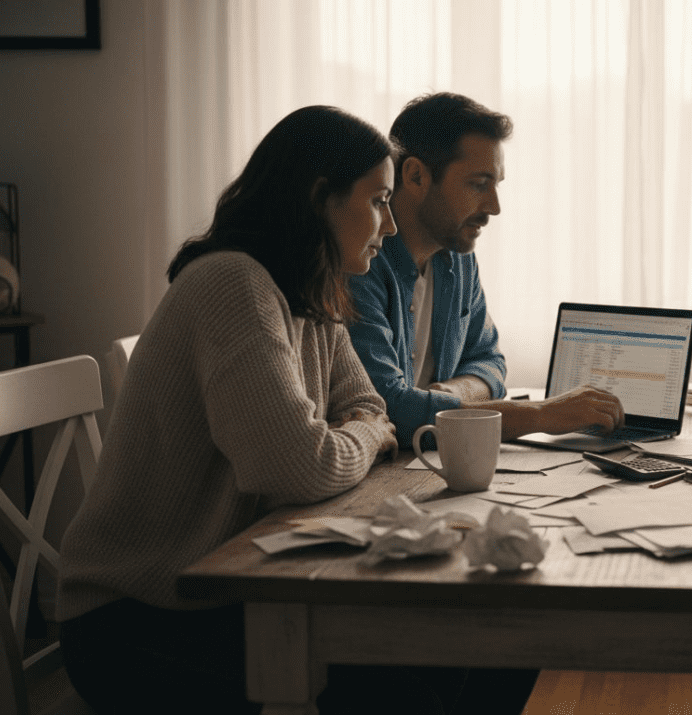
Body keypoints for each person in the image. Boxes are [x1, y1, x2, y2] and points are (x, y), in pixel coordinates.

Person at [55, 105, 472, 714]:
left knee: (444, 662)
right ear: (321, 198)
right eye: (378, 200)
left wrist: (354, 428)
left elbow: (365, 402)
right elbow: (301, 466)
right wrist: (362, 433)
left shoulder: (308, 296)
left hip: (218, 591)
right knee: (415, 684)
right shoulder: (232, 284)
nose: (388, 226)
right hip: (133, 621)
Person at [348, 92, 624, 449]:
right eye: (479, 184)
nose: (494, 207)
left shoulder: (457, 257)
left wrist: (449, 395)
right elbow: (390, 410)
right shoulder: (358, 264)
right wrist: (541, 415)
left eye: (497, 185)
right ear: (416, 177)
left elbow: (489, 360)